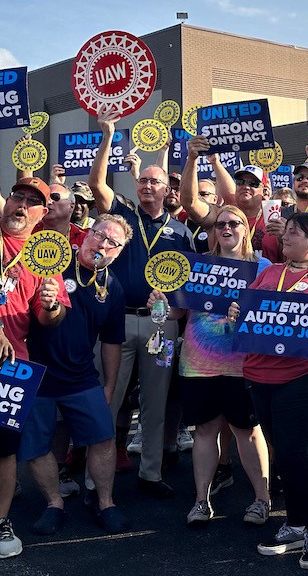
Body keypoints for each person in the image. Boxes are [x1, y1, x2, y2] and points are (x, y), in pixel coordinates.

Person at [227, 212, 308, 569]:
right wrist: (238, 310)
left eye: (294, 232)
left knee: (294, 451)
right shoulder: (269, 273)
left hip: (302, 375)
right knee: (281, 451)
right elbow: (248, 310)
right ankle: (296, 522)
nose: (285, 237)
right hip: (259, 374)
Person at [88, 107, 195, 499]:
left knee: (155, 401)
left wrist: (178, 313)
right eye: (143, 181)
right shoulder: (123, 216)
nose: (148, 186)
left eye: (156, 181)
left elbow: (187, 283)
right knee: (109, 398)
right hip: (118, 323)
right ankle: (92, 478)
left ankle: (150, 473)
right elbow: (97, 184)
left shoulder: (180, 231)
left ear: (168, 190)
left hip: (160, 325)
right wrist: (107, 136)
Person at [147, 206, 271, 527]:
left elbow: (272, 317)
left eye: (234, 223)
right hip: (198, 363)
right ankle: (201, 501)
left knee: (246, 431)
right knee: (204, 431)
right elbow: (174, 315)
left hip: (243, 364)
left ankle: (262, 499)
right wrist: (161, 302)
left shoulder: (262, 267)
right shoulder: (196, 266)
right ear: (213, 231)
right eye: (220, 224)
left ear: (245, 228)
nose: (226, 228)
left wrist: (246, 313)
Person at [22, 214, 133, 536]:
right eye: (99, 234)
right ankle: (54, 503)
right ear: (86, 235)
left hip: (82, 375)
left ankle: (106, 503)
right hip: (36, 371)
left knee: (103, 438)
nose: (103, 243)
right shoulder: (52, 264)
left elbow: (112, 340)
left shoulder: (113, 287)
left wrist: (110, 384)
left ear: (119, 251)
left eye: (113, 242)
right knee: (36, 445)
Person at [0, 177, 70, 559]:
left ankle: (1, 521)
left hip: (12, 366)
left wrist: (50, 305)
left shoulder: (44, 255)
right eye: (18, 196)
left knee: (4, 450)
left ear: (43, 214)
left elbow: (50, 321)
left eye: (32, 202)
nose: (22, 205)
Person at [179, 137, 281, 262]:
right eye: (240, 182)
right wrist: (192, 159)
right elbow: (189, 202)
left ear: (265, 190)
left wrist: (285, 235)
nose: (245, 186)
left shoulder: (274, 219)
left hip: (263, 279)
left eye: (253, 183)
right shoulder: (220, 215)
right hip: (223, 279)